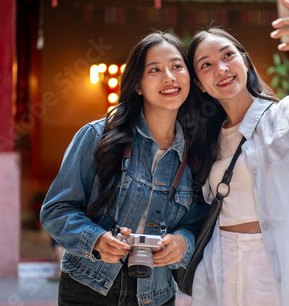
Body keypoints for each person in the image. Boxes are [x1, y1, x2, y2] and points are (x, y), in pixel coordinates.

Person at [186, 0, 289, 306]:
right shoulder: (205, 138)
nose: (221, 69)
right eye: (206, 65)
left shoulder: (284, 117)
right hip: (218, 262)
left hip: (268, 264)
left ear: (245, 60)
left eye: (228, 55)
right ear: (198, 83)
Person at [40, 31, 207, 306]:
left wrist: (182, 243)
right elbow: (55, 210)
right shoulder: (97, 137)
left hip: (156, 296)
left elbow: (197, 224)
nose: (169, 77)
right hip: (87, 288)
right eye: (154, 69)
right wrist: (96, 240)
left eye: (177, 66)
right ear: (138, 85)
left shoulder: (197, 155)